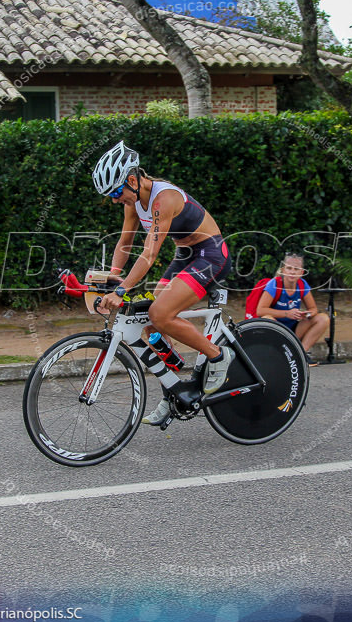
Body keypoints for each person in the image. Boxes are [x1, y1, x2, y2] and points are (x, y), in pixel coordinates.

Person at [93, 142, 233, 426]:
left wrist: (122, 292)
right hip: (186, 254)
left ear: (132, 180)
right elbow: (125, 242)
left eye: (116, 193)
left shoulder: (163, 198)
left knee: (160, 313)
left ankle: (218, 356)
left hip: (211, 254)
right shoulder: (134, 200)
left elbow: (149, 253)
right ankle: (173, 388)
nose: (115, 200)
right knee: (149, 318)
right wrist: (113, 276)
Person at [255, 253, 328, 365]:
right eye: (289, 268)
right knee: (267, 318)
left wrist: (306, 314)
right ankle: (278, 354)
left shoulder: (302, 285)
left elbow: (313, 309)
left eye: (296, 269)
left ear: (302, 272)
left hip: (294, 328)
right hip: (277, 329)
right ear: (283, 270)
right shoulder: (274, 284)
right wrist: (286, 313)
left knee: (323, 318)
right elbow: (260, 310)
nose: (292, 272)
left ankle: (301, 354)